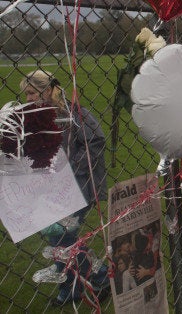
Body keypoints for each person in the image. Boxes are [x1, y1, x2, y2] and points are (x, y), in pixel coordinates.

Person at [21, 70, 110, 306]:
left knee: (62, 237)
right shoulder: (35, 116)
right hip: (52, 189)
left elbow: (96, 141)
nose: (28, 98)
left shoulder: (73, 112)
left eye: (32, 92)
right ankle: (83, 283)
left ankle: (85, 283)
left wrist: (70, 169)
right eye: (26, 94)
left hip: (80, 187)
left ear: (48, 89)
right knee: (60, 237)